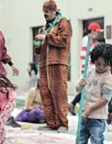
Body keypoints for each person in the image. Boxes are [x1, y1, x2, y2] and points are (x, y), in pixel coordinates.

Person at [76, 43, 112, 144]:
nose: (101, 67)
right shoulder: (89, 72)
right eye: (98, 63)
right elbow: (78, 90)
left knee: (97, 141)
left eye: (105, 64)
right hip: (84, 114)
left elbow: (105, 99)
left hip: (97, 117)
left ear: (110, 63)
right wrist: (79, 85)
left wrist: (90, 109)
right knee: (81, 140)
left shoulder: (109, 80)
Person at [34, 0, 72, 132]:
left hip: (58, 62)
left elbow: (64, 40)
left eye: (47, 11)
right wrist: (37, 44)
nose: (45, 14)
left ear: (54, 10)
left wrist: (47, 38)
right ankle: (51, 122)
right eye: (44, 12)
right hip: (44, 64)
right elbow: (38, 50)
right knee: (45, 93)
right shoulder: (43, 28)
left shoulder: (63, 22)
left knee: (59, 93)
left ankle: (63, 123)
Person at [68, 23, 103, 115]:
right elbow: (88, 56)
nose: (98, 34)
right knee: (88, 89)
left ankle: (74, 104)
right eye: (98, 32)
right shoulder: (87, 40)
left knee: (88, 89)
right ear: (93, 30)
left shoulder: (91, 40)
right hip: (88, 69)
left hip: (89, 68)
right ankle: (77, 105)